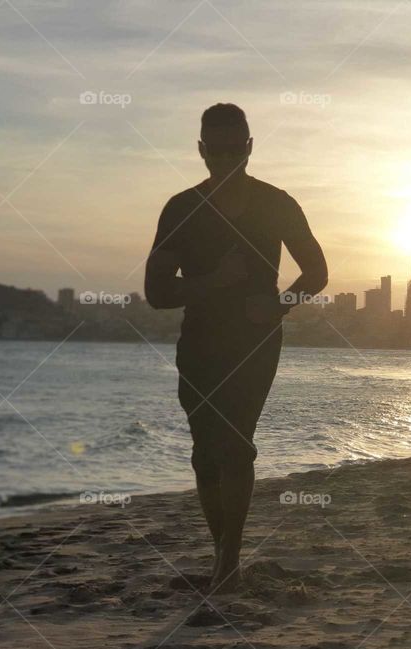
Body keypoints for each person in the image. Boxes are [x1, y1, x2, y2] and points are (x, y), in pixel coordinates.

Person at [144, 103, 328, 592]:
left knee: (237, 446)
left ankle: (228, 561)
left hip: (255, 343)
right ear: (201, 150)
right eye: (215, 151)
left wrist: (279, 305)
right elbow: (157, 292)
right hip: (200, 343)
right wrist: (212, 281)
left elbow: (317, 272)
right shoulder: (181, 209)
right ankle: (223, 551)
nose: (224, 160)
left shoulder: (277, 204)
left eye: (234, 150)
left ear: (248, 147)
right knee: (206, 452)